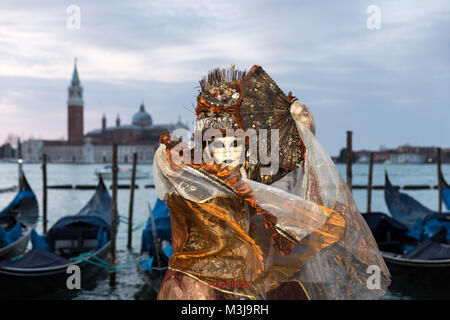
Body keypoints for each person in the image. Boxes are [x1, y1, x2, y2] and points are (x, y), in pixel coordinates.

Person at [153, 65, 390, 299]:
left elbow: (302, 155)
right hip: (202, 288)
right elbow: (170, 161)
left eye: (234, 144)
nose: (226, 153)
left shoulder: (261, 183)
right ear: (206, 149)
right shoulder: (192, 182)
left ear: (246, 148)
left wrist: (301, 120)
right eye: (218, 145)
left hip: (260, 283)